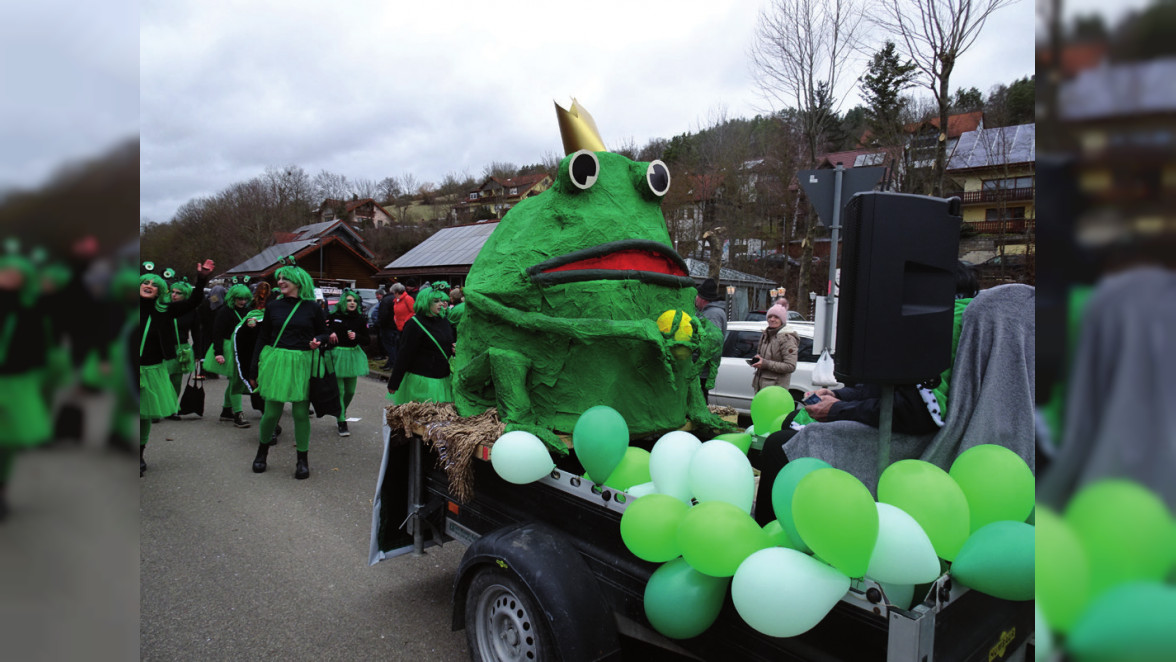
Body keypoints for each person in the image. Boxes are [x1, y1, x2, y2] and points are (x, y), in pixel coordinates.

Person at [247, 263, 329, 479]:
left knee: (301, 414)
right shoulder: (274, 306)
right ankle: (261, 452)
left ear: (298, 283)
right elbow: (263, 338)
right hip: (277, 362)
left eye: (286, 279)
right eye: (280, 278)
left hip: (302, 363)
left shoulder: (312, 308)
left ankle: (302, 460)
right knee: (271, 413)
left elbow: (324, 333)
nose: (281, 281)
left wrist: (317, 341)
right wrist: (253, 369)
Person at [140, 259, 213, 476]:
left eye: (154, 284)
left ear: (159, 290)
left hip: (151, 369)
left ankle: (139, 454)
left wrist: (201, 281)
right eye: (146, 281)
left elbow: (194, 302)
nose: (149, 284)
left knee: (143, 416)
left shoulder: (164, 311)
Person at [386, 285, 454, 405]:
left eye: (442, 301)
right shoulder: (414, 324)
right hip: (422, 382)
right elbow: (404, 354)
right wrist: (394, 382)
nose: (441, 304)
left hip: (443, 380)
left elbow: (447, 342)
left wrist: (454, 348)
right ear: (425, 302)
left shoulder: (443, 321)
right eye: (436, 301)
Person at [203, 281, 253, 428]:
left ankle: (226, 410)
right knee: (236, 380)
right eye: (239, 299)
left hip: (242, 349)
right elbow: (216, 333)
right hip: (227, 349)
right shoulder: (224, 311)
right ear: (232, 298)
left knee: (233, 381)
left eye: (245, 299)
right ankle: (238, 413)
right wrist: (218, 352)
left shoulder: (248, 310)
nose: (243, 302)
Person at [325, 289, 370, 436]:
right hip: (336, 355)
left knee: (350, 391)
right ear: (343, 302)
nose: (352, 303)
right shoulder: (334, 316)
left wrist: (357, 336)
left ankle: (341, 410)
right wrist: (329, 333)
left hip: (352, 356)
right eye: (349, 300)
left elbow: (367, 340)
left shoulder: (360, 319)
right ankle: (341, 421)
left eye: (355, 300)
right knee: (340, 390)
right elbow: (322, 330)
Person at [165, 278, 200, 418]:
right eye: (172, 292)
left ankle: (172, 409)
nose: (174, 295)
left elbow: (197, 332)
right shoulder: (163, 307)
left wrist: (198, 352)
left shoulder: (191, 311)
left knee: (176, 381)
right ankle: (159, 407)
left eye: (178, 293)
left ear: (185, 295)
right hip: (163, 348)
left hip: (182, 349)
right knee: (162, 380)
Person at [751, 304, 798, 393]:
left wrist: (765, 363)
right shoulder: (766, 334)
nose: (772, 319)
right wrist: (758, 360)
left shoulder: (787, 338)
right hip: (761, 387)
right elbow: (763, 358)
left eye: (776, 317)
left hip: (775, 389)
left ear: (782, 320)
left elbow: (790, 366)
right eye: (770, 316)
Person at [694, 278, 727, 401]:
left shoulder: (712, 314)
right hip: (702, 367)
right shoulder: (711, 312)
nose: (695, 299)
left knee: (699, 399)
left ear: (702, 298)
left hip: (702, 369)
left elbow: (713, 342)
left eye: (697, 296)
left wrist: (697, 360)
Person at [378, 282, 413, 371]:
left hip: (405, 327)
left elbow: (413, 312)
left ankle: (399, 366)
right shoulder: (396, 301)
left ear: (397, 292)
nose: (393, 295)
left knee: (399, 347)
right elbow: (396, 312)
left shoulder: (408, 299)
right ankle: (393, 364)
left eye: (393, 293)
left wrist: (405, 321)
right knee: (396, 346)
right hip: (398, 327)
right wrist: (395, 319)